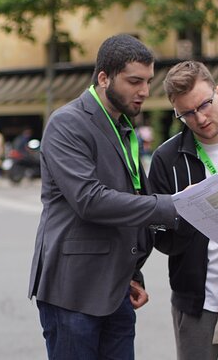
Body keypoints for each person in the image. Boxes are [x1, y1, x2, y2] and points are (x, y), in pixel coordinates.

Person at [28, 34, 180, 360]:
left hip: (116, 288)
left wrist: (132, 270)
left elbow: (129, 196)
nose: (144, 91)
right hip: (74, 291)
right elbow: (90, 200)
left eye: (148, 81)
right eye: (134, 81)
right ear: (104, 77)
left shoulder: (122, 126)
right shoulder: (67, 123)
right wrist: (170, 206)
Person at [148, 61, 218, 360]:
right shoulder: (166, 159)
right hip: (199, 299)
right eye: (187, 113)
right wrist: (186, 214)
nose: (200, 118)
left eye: (205, 105)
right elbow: (158, 236)